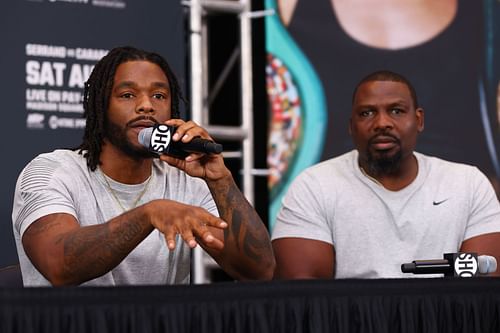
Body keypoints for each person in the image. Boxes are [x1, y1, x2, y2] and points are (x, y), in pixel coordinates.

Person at [12, 46, 275, 286]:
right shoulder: (51, 172)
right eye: (127, 95)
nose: (146, 106)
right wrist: (149, 214)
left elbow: (258, 270)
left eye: (159, 95)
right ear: (100, 106)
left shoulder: (187, 181)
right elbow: (60, 264)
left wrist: (221, 180)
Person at [272, 70, 500, 279]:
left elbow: (481, 293)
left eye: (396, 111)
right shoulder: (314, 186)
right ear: (351, 126)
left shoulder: (468, 184)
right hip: (350, 323)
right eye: (367, 113)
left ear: (419, 120)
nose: (382, 123)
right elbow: (305, 297)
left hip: (442, 323)